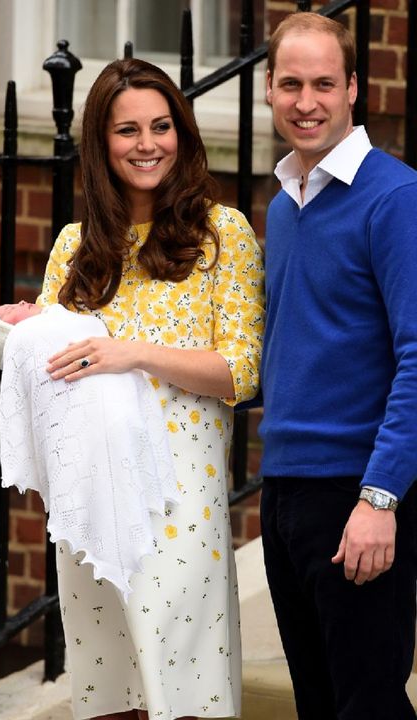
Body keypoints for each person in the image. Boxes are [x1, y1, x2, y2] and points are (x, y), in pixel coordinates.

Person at [33, 58, 263, 719]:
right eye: (127, 129)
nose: (147, 144)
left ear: (183, 135)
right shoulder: (75, 247)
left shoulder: (224, 236)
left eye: (162, 126)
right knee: (109, 697)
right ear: (102, 142)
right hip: (93, 502)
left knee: (183, 692)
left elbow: (240, 373)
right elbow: (46, 366)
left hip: (181, 504)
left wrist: (130, 354)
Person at [259, 12, 417, 719]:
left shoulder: (395, 197)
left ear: (353, 87)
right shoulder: (284, 204)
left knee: (369, 708)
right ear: (268, 89)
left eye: (324, 82)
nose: (306, 100)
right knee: (318, 707)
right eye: (290, 83)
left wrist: (380, 498)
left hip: (356, 498)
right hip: (285, 494)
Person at [0, 301, 180, 598]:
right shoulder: (35, 331)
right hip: (89, 445)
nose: (19, 301)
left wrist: (134, 353)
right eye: (5, 311)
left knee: (160, 604)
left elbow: (243, 372)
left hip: (171, 445)